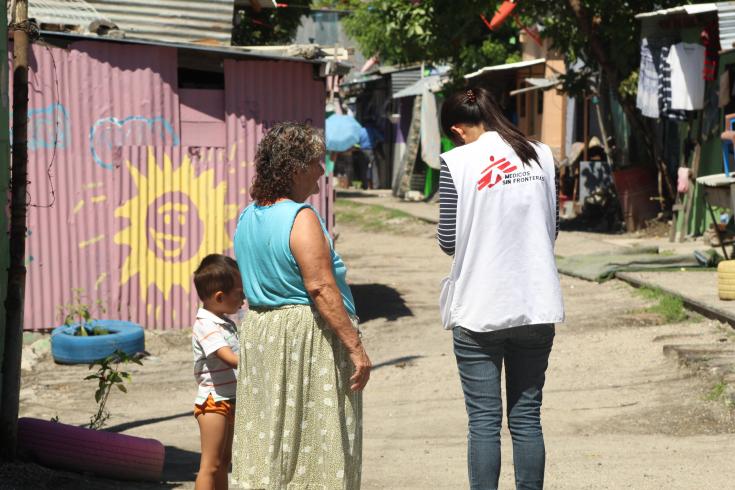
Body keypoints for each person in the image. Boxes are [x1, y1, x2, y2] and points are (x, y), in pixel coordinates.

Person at [231, 122, 371, 489]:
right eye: (315, 162)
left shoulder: (248, 216)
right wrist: (356, 348)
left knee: (270, 439)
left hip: (262, 336)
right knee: (318, 440)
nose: (322, 171)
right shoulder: (300, 216)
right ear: (294, 168)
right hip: (305, 340)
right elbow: (321, 287)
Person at [437, 87, 564, 490]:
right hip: (537, 303)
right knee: (527, 417)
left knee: (484, 423)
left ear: (456, 129)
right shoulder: (541, 154)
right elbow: (553, 228)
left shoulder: (457, 162)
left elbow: (447, 240)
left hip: (480, 307)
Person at [191, 254, 245, 490]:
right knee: (210, 465)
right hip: (214, 403)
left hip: (230, 399)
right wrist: (260, 362)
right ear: (220, 297)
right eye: (239, 293)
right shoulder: (206, 324)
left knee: (224, 462)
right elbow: (229, 358)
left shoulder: (223, 321)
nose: (243, 298)